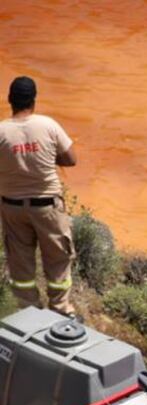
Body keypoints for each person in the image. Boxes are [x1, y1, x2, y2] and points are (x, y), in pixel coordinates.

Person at [0, 76, 78, 316]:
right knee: (57, 260)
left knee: (21, 265)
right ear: (34, 100)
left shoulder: (1, 130)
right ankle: (61, 311)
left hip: (12, 207)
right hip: (47, 207)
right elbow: (71, 159)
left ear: (10, 100)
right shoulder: (48, 125)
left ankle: (28, 313)